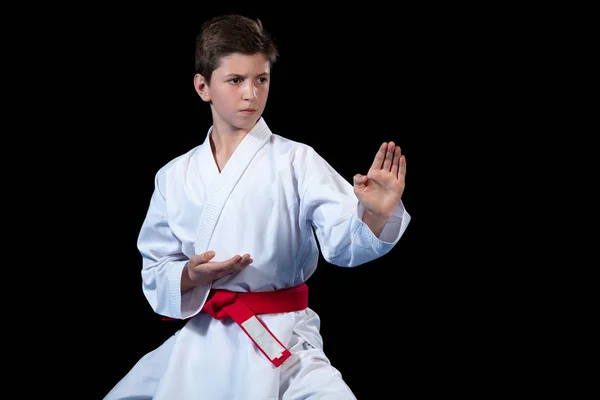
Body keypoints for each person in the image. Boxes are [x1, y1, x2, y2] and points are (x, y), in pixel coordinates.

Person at [105, 13, 411, 400]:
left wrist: (375, 214)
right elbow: (155, 268)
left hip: (281, 339)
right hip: (202, 339)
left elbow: (345, 245)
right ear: (203, 87)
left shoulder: (297, 161)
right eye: (235, 80)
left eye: (260, 79)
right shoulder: (173, 175)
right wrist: (190, 276)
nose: (251, 93)